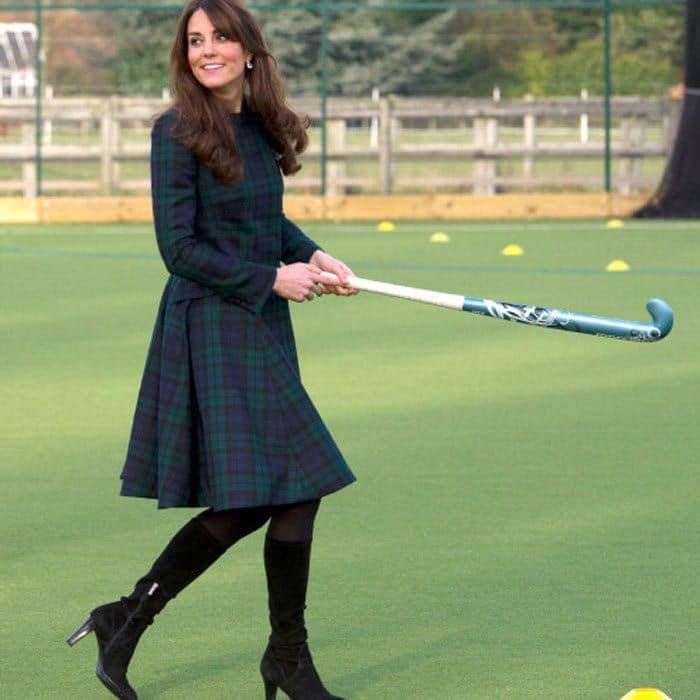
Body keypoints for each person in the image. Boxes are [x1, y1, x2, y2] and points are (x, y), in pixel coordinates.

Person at [66, 1, 357, 698]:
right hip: (213, 319)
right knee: (291, 484)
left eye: (220, 37)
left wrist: (313, 253)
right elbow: (180, 250)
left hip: (258, 320)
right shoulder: (176, 132)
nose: (207, 50)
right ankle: (164, 626)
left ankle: (135, 619)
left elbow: (265, 217)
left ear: (249, 50)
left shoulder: (258, 128)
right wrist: (271, 278)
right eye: (195, 41)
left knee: (283, 493)